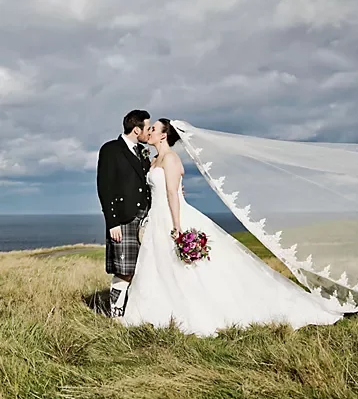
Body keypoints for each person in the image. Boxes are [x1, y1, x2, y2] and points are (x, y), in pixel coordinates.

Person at [122, 119, 342, 336]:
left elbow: (172, 193)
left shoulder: (170, 159)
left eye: (153, 129)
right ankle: (157, 312)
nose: (148, 131)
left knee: (185, 267)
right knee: (158, 265)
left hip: (172, 218)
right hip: (157, 217)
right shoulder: (154, 160)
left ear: (163, 135)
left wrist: (177, 227)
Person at [97, 110, 152, 318]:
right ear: (136, 129)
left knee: (142, 267)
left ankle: (134, 310)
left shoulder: (142, 151)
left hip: (146, 218)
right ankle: (116, 314)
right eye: (147, 128)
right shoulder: (111, 149)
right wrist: (112, 222)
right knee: (124, 269)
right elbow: (105, 187)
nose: (149, 132)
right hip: (123, 218)